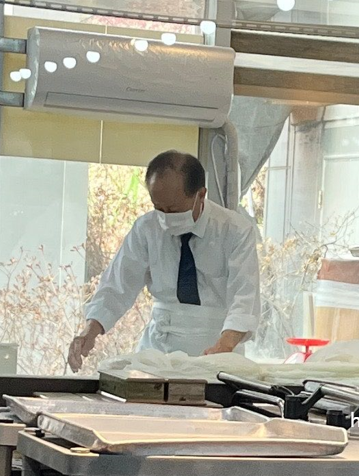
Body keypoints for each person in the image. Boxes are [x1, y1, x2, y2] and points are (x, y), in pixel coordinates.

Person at [68, 150, 260, 372]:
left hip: (216, 346)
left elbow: (244, 298)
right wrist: (90, 331)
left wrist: (223, 346)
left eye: (174, 210)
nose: (166, 217)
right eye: (159, 208)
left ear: (201, 195)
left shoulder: (235, 231)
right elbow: (117, 285)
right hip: (158, 346)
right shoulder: (146, 228)